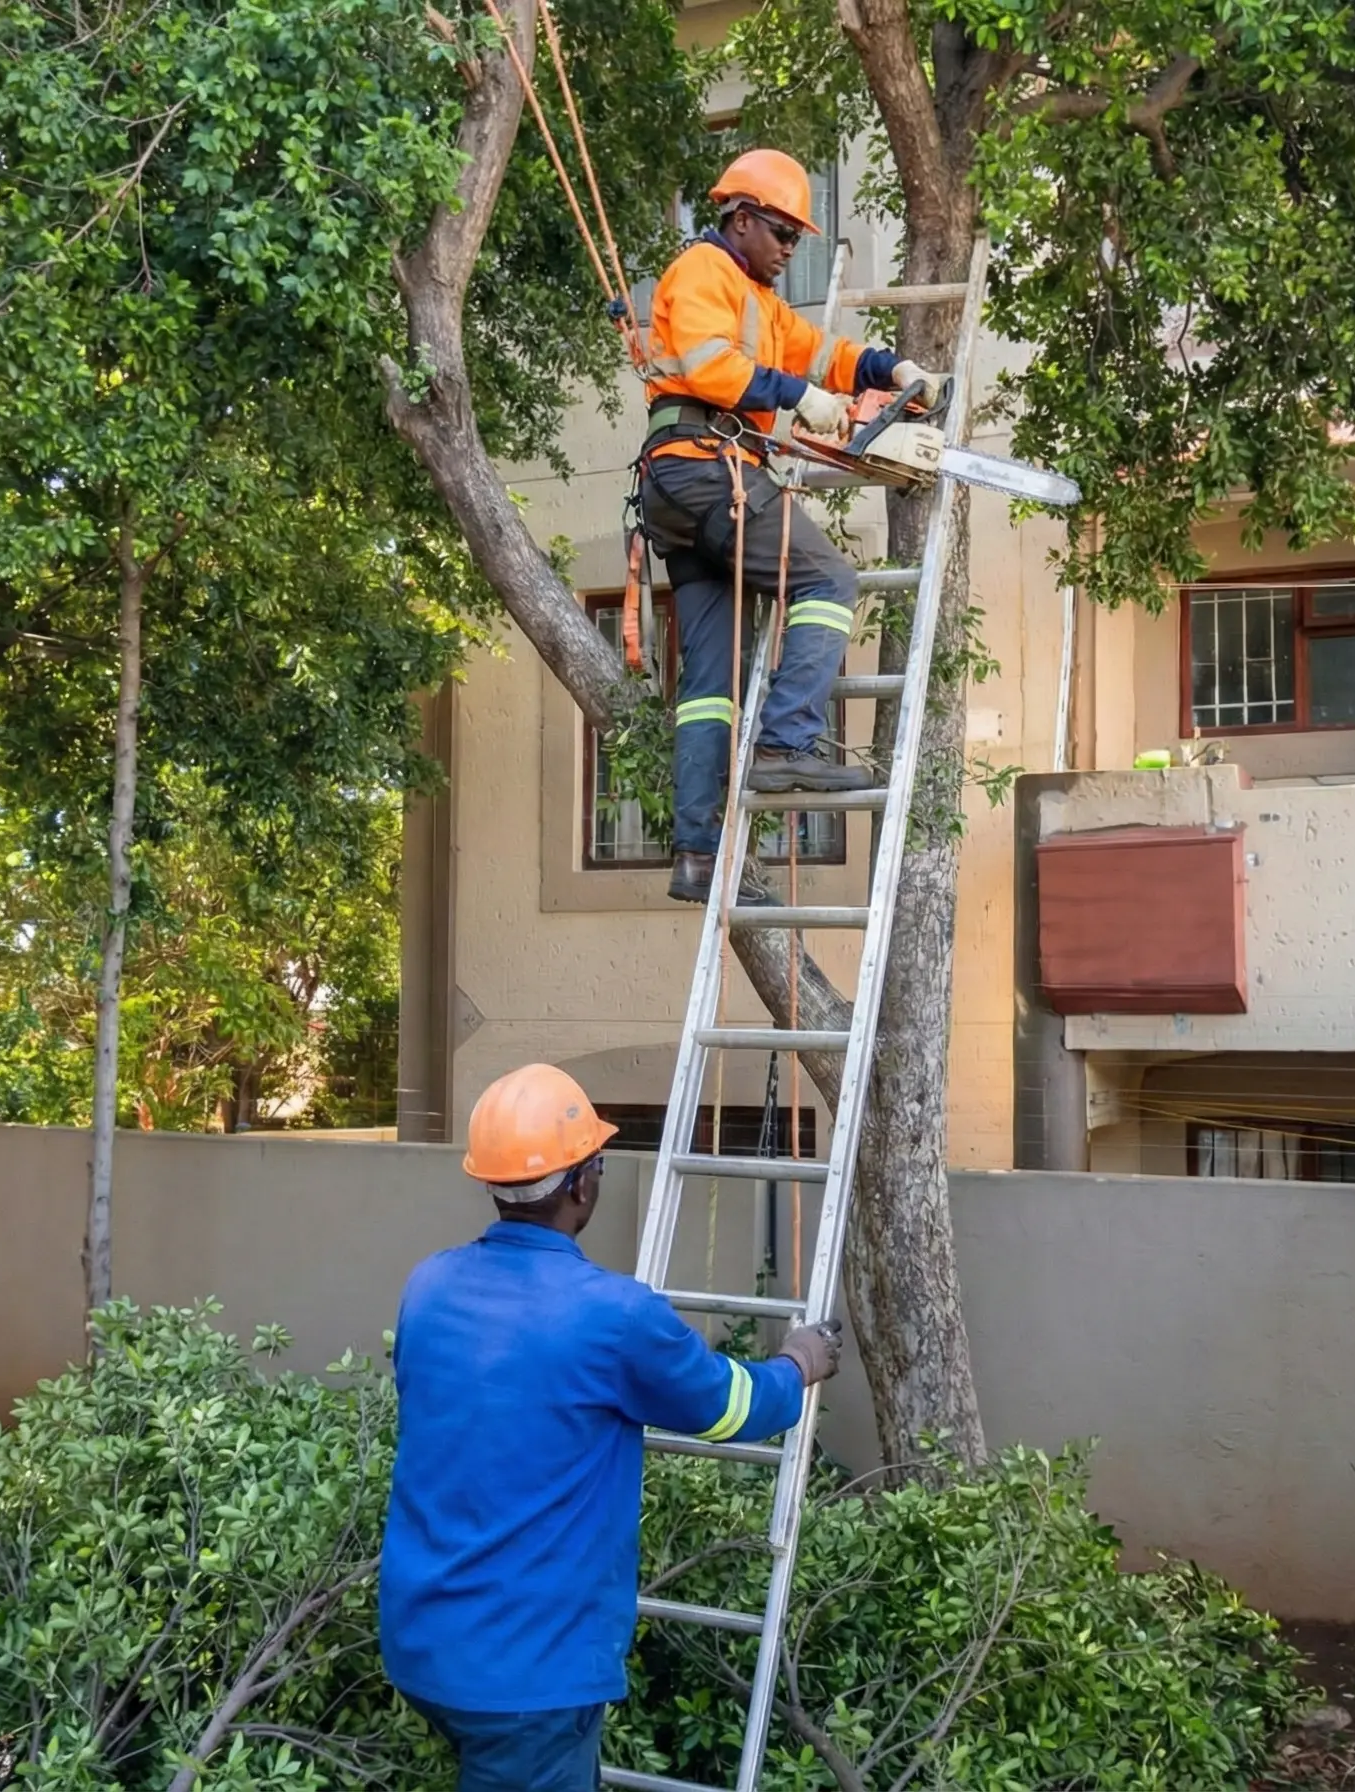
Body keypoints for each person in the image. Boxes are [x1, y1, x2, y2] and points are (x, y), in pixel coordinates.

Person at [378, 1063, 844, 1791]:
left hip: (426, 1648)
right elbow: (729, 1407)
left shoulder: (429, 1286)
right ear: (582, 1184)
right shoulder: (612, 1317)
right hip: (528, 1676)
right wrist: (798, 1362)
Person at [636, 147, 948, 906]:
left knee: (710, 687)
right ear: (741, 219)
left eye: (797, 238)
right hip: (705, 469)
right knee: (828, 578)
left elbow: (828, 353)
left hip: (684, 489)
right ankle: (785, 744)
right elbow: (712, 368)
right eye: (782, 233)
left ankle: (697, 857)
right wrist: (802, 400)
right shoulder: (703, 272)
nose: (789, 248)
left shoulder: (763, 306)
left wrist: (893, 370)